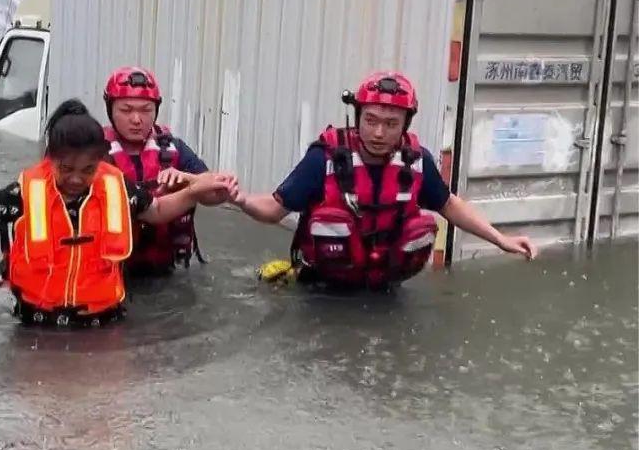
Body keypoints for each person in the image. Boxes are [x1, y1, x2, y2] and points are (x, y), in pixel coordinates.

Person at [227, 71, 537, 289]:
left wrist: (501, 239)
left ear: (405, 125)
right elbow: (274, 207)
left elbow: (450, 205)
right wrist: (239, 199)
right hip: (321, 293)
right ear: (357, 116)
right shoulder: (324, 160)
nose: (378, 133)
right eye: (371, 120)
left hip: (386, 291)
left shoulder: (417, 162)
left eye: (391, 124)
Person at [0, 99, 234, 326]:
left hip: (104, 326)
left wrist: (194, 191)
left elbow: (157, 211)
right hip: (35, 327)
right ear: (51, 160)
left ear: (100, 161)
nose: (76, 178)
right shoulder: (25, 191)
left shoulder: (116, 187)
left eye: (87, 170)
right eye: (66, 169)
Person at [101, 66, 226, 275]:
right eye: (126, 110)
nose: (136, 119)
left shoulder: (173, 149)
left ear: (156, 111)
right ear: (110, 110)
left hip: (168, 270)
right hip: (113, 271)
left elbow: (216, 193)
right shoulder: (93, 152)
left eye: (146, 110)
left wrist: (187, 180)